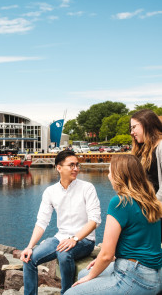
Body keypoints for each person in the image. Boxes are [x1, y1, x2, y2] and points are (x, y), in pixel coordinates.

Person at [64, 154, 162, 295]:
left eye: (110, 172)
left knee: (71, 293)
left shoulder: (120, 202)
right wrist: (96, 266)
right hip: (155, 273)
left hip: (135, 276)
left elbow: (106, 255)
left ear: (118, 176)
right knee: (83, 273)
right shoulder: (151, 201)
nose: (108, 176)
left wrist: (91, 276)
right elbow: (140, 241)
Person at [20, 150, 101, 294]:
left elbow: (94, 221)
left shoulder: (87, 188)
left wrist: (75, 239)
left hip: (85, 240)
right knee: (29, 258)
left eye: (77, 165)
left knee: (64, 253)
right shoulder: (50, 192)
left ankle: (67, 293)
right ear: (59, 168)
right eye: (71, 165)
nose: (76, 169)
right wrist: (29, 246)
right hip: (60, 238)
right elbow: (41, 222)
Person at [130, 109, 162, 202]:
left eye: (134, 127)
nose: (132, 132)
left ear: (146, 124)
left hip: (156, 212)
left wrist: (153, 210)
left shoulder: (160, 147)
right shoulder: (143, 150)